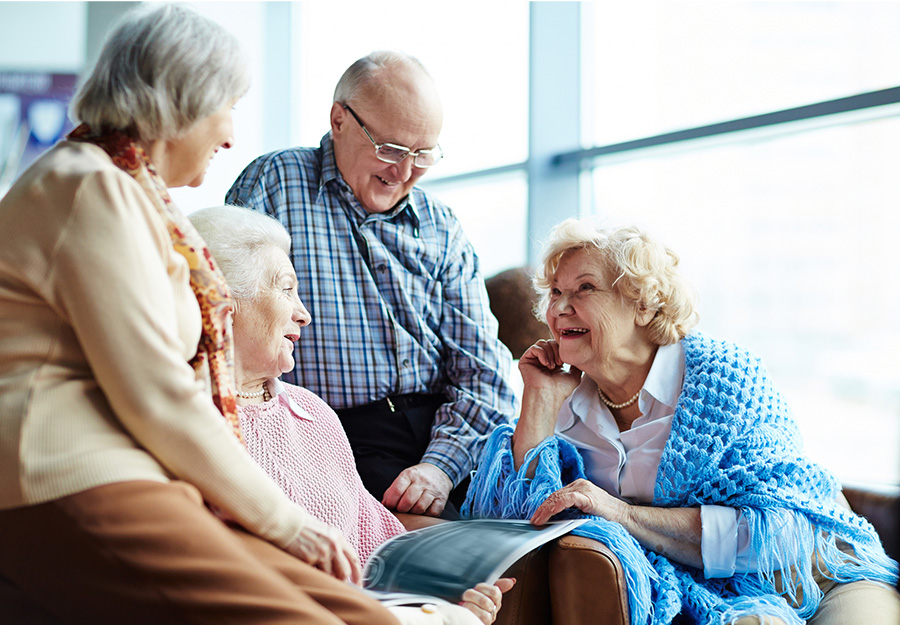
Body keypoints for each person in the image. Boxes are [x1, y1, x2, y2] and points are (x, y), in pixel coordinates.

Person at [0, 6, 449, 625]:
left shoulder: (127, 193)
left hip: (122, 474)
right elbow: (157, 395)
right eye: (227, 106)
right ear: (180, 102)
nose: (232, 134)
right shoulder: (88, 187)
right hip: (65, 474)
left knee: (355, 609)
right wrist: (287, 523)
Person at [464, 219, 900, 625]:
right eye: (555, 292)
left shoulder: (724, 376)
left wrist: (623, 514)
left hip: (814, 569)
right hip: (702, 587)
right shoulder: (561, 394)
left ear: (643, 304)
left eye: (584, 289)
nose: (560, 308)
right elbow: (511, 527)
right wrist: (538, 401)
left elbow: (776, 529)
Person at [189, 204, 514, 625]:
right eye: (286, 289)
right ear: (223, 300)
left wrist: (446, 593)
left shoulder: (313, 414)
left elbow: (376, 542)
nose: (304, 313)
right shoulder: (184, 421)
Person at [225, 51, 517, 520]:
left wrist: (439, 469)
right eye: (391, 149)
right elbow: (231, 320)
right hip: (326, 433)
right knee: (443, 559)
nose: (404, 172)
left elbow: (486, 374)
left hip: (443, 436)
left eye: (422, 154)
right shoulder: (277, 181)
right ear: (339, 119)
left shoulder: (441, 225)